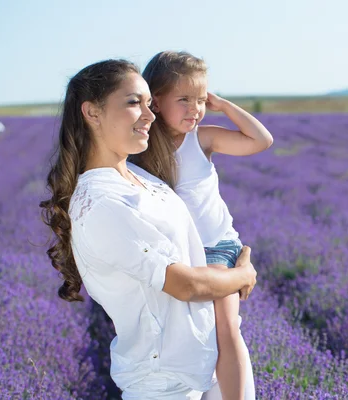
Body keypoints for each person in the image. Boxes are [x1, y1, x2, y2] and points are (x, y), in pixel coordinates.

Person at [39, 59, 257, 400]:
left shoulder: (143, 179)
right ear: (92, 113)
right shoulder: (100, 203)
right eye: (132, 102)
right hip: (164, 382)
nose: (150, 115)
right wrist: (242, 276)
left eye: (149, 103)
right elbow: (185, 284)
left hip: (204, 363)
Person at [130, 50, 273, 400]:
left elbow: (261, 141)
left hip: (218, 248)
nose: (195, 108)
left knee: (226, 327)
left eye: (200, 99)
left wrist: (223, 106)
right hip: (179, 255)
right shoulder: (143, 148)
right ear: (156, 102)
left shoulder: (202, 138)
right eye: (184, 99)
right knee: (189, 334)